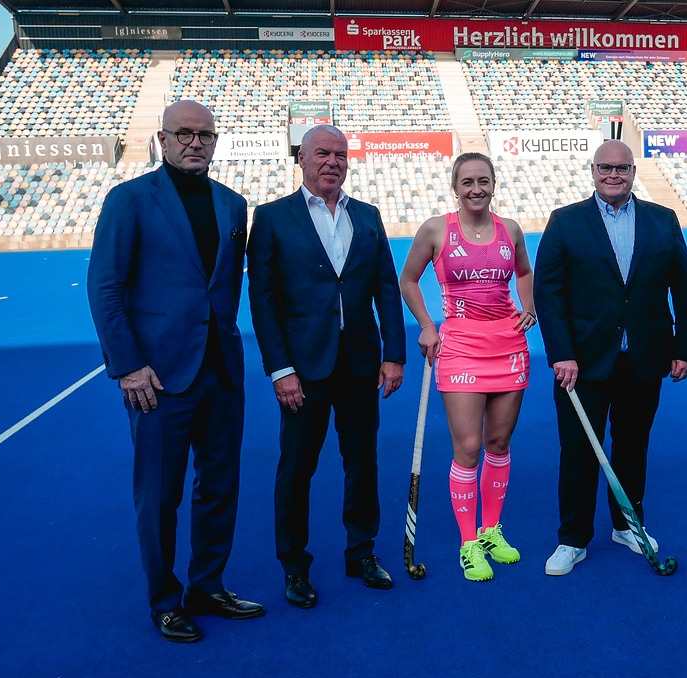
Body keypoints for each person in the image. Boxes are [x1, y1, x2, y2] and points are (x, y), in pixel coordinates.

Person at [87, 100, 263, 643]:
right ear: (163, 140)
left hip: (220, 373)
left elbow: (226, 287)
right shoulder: (130, 200)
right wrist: (128, 366)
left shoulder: (234, 206)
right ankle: (164, 599)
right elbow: (106, 288)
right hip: (158, 378)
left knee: (220, 485)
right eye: (184, 134)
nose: (195, 143)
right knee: (159, 493)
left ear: (216, 141)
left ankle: (206, 585)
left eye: (205, 135)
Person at [247, 124, 406, 608]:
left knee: (363, 463)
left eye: (340, 154)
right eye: (322, 153)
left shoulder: (369, 216)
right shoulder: (273, 218)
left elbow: (385, 290)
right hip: (303, 370)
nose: (332, 161)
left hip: (359, 364)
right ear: (301, 158)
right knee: (297, 469)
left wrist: (393, 354)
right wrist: (280, 370)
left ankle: (362, 551)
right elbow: (263, 301)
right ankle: (294, 566)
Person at [534, 140, 687, 576]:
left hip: (644, 358)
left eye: (622, 168)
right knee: (578, 452)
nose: (613, 175)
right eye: (605, 168)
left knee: (632, 447)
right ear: (592, 171)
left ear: (632, 172)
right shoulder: (566, 222)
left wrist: (684, 347)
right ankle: (573, 538)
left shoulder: (662, 221)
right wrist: (562, 354)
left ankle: (628, 525)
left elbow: (683, 288)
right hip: (582, 364)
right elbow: (548, 295)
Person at [399, 153, 534, 582]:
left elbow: (525, 272)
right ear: (454, 187)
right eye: (467, 182)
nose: (476, 189)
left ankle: (491, 530)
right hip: (459, 346)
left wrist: (527, 307)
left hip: (508, 344)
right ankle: (467, 542)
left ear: (494, 184)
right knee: (469, 447)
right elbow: (408, 279)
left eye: (483, 181)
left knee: (498, 442)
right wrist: (425, 325)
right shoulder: (437, 229)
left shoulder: (509, 229)